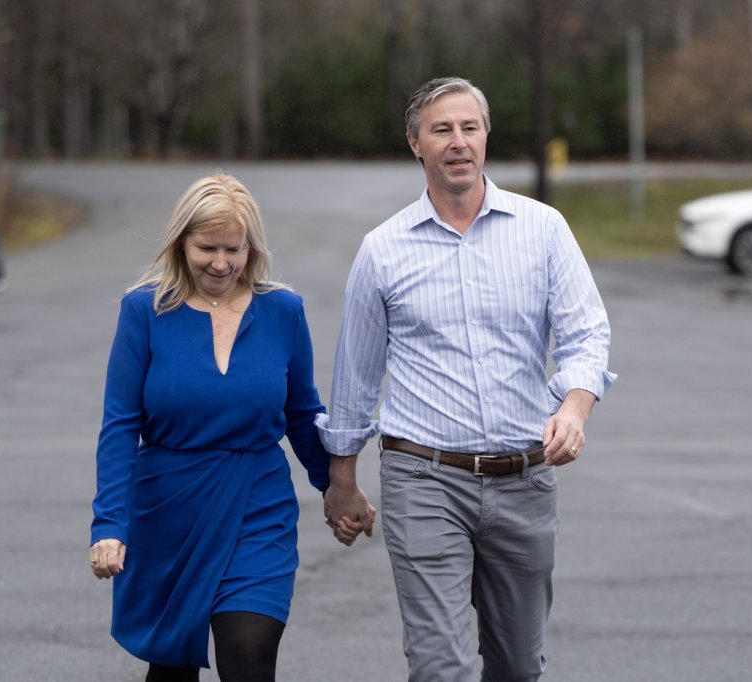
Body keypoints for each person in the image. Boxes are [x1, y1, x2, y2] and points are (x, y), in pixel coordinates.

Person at [318, 77, 616, 681]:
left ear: (485, 137)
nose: (458, 141)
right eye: (441, 130)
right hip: (424, 479)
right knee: (441, 667)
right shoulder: (383, 249)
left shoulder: (543, 229)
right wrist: (341, 482)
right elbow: (355, 377)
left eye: (469, 127)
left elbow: (586, 334)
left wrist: (575, 408)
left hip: (525, 479)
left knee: (518, 666)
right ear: (416, 144)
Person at [89, 173, 368, 682]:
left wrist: (337, 487)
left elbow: (302, 414)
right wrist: (109, 525)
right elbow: (120, 425)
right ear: (181, 243)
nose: (220, 263)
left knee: (248, 651)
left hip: (257, 505)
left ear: (251, 248)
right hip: (169, 509)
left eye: (233, 250)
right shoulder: (144, 311)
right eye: (207, 248)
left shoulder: (283, 311)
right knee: (172, 669)